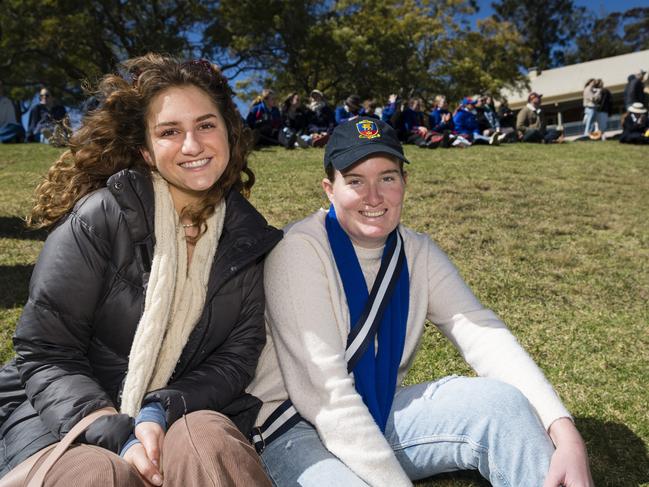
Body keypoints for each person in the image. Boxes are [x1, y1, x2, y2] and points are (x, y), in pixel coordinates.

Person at [247, 118, 594, 487]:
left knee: (501, 405)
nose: (374, 196)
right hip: (293, 428)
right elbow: (325, 396)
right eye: (355, 181)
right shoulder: (299, 249)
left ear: (404, 183)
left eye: (387, 177)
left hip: (375, 410)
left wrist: (564, 431)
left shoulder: (418, 253)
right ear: (329, 190)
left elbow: (483, 335)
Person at [0, 54, 282, 486]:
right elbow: (47, 352)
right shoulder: (100, 218)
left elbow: (236, 358)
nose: (193, 145)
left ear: (228, 132)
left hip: (184, 409)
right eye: (170, 132)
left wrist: (159, 410)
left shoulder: (247, 237)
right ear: (146, 151)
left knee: (208, 442)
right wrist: (118, 436)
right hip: (65, 418)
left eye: (206, 125)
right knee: (97, 472)